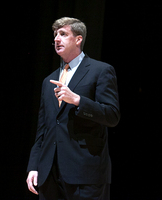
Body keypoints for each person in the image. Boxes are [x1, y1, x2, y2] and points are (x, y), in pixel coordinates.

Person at [26, 17, 120, 200]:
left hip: (84, 174)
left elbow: (112, 115)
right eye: (55, 35)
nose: (56, 39)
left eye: (63, 34)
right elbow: (42, 130)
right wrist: (34, 165)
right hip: (49, 175)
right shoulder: (48, 81)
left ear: (78, 39)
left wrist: (78, 100)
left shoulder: (100, 71)